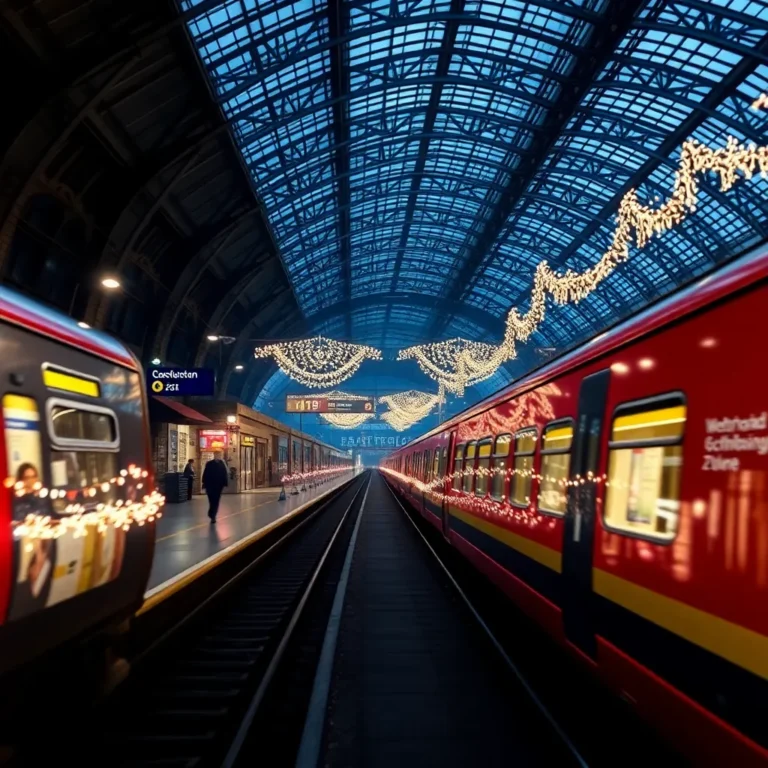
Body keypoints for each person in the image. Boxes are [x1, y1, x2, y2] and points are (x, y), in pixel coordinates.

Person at [202, 452, 228, 523]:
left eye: (219, 455)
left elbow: (224, 474)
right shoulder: (209, 464)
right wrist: (204, 483)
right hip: (210, 485)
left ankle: (213, 515)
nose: (218, 456)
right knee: (211, 500)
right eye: (217, 455)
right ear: (214, 455)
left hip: (218, 486)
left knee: (216, 501)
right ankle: (211, 512)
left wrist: (224, 484)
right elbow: (205, 474)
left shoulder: (222, 464)